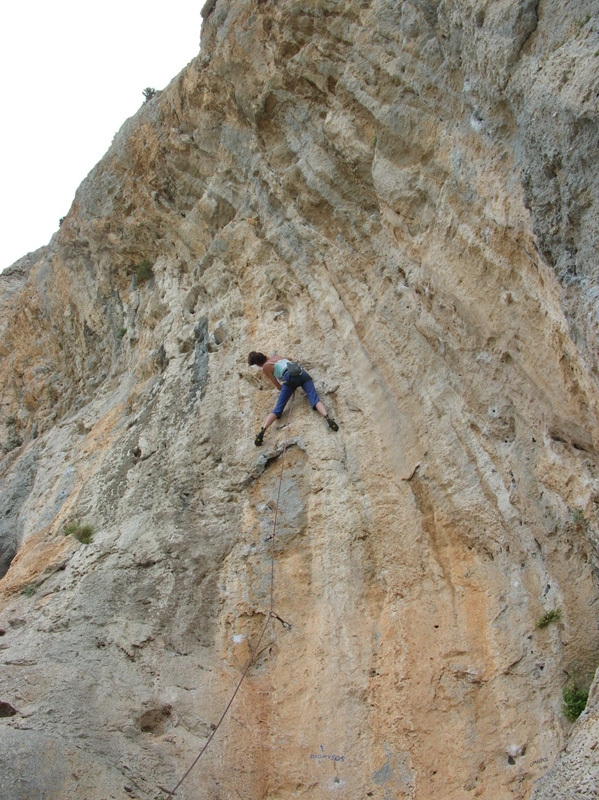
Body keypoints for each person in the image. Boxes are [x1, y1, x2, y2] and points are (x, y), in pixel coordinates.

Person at [248, 351, 339, 446]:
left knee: (278, 408)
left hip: (289, 378)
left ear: (258, 364)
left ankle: (263, 430)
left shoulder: (266, 367)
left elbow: (278, 386)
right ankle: (326, 416)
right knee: (314, 398)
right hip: (303, 374)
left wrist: (289, 387)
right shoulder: (277, 357)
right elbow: (289, 359)